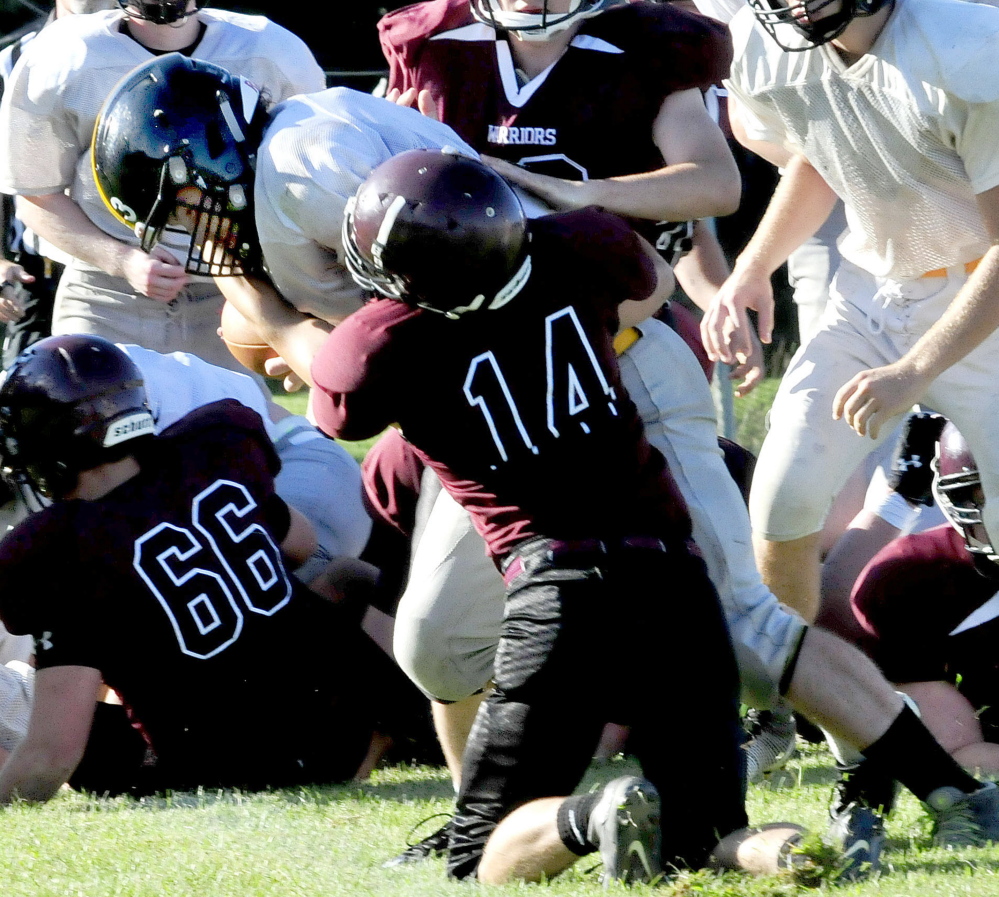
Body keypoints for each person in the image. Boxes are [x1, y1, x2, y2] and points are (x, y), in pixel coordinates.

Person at [92, 53, 999, 875]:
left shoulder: (302, 172)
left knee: (739, 615)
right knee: (436, 642)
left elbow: (399, 322)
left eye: (177, 205)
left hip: (588, 364)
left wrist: (271, 317)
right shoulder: (309, 135)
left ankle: (949, 788)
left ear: (200, 154)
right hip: (526, 375)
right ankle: (487, 819)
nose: (189, 231)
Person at [314, 148, 751, 885]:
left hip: (561, 586)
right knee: (709, 838)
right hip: (675, 576)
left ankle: (592, 813)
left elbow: (339, 408)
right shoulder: (579, 245)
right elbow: (649, 277)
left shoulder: (384, 342)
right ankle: (805, 847)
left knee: (480, 858)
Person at [0, 334, 403, 800]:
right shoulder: (213, 447)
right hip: (339, 733)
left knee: (39, 699)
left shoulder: (55, 547)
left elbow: (50, 758)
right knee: (343, 576)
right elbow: (301, 544)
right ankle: (407, 721)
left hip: (223, 765)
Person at [702, 0, 999, 634]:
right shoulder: (767, 40)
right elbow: (824, 151)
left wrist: (916, 369)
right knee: (783, 501)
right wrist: (753, 268)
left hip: (984, 307)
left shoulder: (968, 49)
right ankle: (800, 702)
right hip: (872, 292)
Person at [378, 0, 760, 394]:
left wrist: (577, 192)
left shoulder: (646, 47)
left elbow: (715, 186)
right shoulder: (431, 44)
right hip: (471, 344)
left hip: (616, 337)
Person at [0, 0, 325, 371]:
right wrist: (121, 260)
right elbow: (35, 195)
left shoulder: (266, 49)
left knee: (235, 423)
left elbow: (306, 176)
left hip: (235, 292)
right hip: (106, 292)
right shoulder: (66, 55)